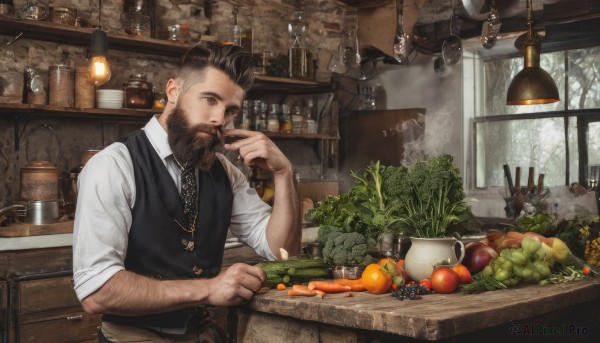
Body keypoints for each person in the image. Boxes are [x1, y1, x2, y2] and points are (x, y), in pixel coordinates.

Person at [72, 41, 301, 342]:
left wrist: (283, 173)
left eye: (230, 110)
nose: (220, 119)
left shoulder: (224, 172)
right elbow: (96, 291)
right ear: (173, 91)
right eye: (209, 99)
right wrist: (209, 289)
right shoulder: (113, 166)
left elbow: (281, 251)